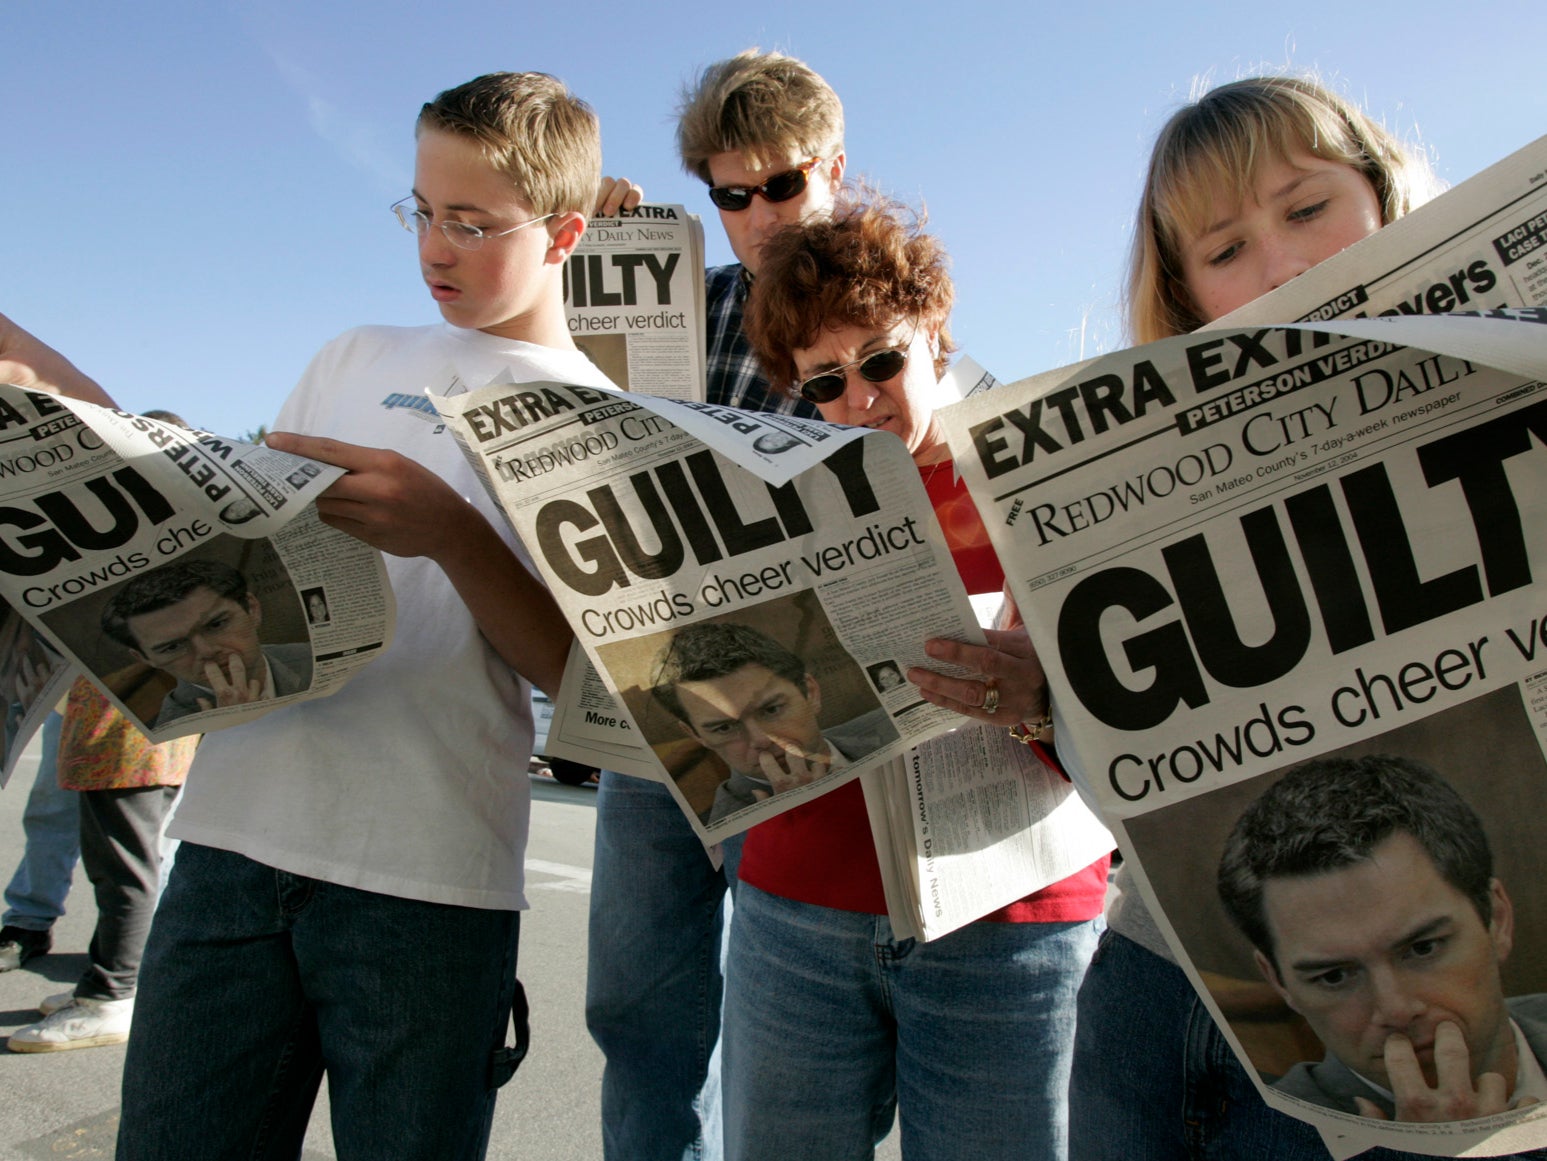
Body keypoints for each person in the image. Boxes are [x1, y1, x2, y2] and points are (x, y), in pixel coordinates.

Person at [0, 68, 604, 1159]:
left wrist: (453, 539)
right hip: (231, 845)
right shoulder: (353, 355)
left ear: (562, 234)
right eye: (420, 211)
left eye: (472, 222)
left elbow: (577, 681)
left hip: (429, 880)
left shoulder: (597, 418)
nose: (434, 247)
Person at [1061, 75, 1530, 1161]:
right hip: (1153, 991)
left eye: (1307, 207)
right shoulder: (1127, 470)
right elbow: (1130, 791)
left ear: (1379, 192)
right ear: (1184, 298)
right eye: (1223, 250)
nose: (1281, 265)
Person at [736, 192, 1110, 1161]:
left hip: (1011, 924)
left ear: (933, 339)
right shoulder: (773, 497)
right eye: (822, 383)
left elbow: (1140, 719)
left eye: (881, 361)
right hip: (797, 911)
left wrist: (1040, 699)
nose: (856, 400)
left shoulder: (1036, 471)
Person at [585, 48, 846, 1161]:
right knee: (639, 1009)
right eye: (729, 195)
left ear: (831, 166)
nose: (757, 216)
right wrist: (581, 251)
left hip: (795, 704)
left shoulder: (883, 328)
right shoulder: (676, 306)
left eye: (780, 184)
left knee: (790, 1028)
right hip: (650, 704)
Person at [1216, 754, 1547, 1123]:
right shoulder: (1264, 1138)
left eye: (1422, 949)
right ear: (1279, 981)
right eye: (1334, 976)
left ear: (1497, 919)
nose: (1395, 1010)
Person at [7, 675, 196, 1052]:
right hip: (122, 738)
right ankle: (103, 985)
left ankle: (109, 997)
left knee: (124, 873)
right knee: (118, 869)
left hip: (128, 742)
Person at [648, 621, 895, 823]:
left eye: (771, 709)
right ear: (696, 735)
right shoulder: (730, 831)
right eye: (724, 727)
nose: (761, 740)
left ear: (810, 692)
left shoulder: (891, 726)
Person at [98, 559, 313, 728]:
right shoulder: (169, 738)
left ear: (252, 609)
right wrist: (240, 732)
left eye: (216, 625)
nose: (206, 652)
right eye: (172, 647)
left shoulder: (311, 657)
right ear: (144, 658)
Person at [0, 710, 71, 973]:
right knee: (51, 809)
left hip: (153, 695)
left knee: (140, 836)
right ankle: (28, 922)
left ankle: (122, 955)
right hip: (78, 693)